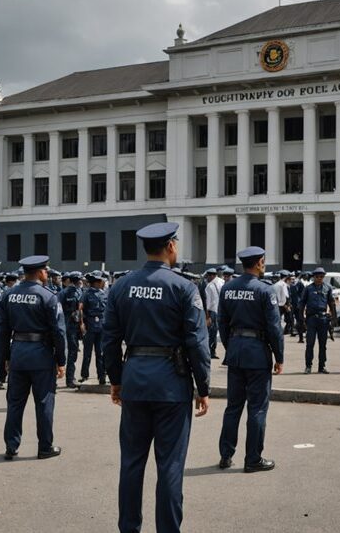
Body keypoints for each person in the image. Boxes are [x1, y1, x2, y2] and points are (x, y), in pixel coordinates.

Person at [102, 222, 211, 533]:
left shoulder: (121, 286)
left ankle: (129, 528)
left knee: (132, 463)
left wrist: (116, 380)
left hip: (135, 379)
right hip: (172, 385)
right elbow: (197, 342)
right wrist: (203, 387)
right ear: (171, 246)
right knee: (170, 467)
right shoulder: (184, 287)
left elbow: (109, 340)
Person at [217, 246, 283, 473]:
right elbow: (274, 328)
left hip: (235, 352)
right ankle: (253, 459)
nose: (264, 265)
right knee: (257, 409)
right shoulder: (265, 290)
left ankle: (226, 455)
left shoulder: (228, 288)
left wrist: (230, 345)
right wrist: (279, 356)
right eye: (263, 261)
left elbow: (222, 324)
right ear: (258, 263)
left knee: (233, 407)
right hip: (257, 354)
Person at [0, 255, 67, 460]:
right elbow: (58, 332)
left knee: (15, 403)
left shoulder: (9, 295)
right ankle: (45, 447)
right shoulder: (47, 296)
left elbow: (2, 330)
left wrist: (5, 357)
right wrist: (61, 360)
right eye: (45, 270)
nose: (47, 274)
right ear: (39, 272)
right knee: (44, 402)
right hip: (41, 355)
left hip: (18, 353)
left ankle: (11, 446)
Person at [299, 268, 336, 374]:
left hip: (323, 319)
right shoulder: (308, 289)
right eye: (317, 277)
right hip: (311, 319)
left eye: (321, 277)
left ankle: (322, 366)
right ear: (313, 277)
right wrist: (301, 318)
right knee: (310, 344)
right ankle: (308, 366)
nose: (319, 279)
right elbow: (302, 304)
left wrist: (334, 319)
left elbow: (332, 303)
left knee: (323, 345)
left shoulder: (327, 288)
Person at [79, 271, 108, 384]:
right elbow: (80, 309)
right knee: (87, 353)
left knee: (100, 352)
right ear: (97, 282)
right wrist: (82, 324)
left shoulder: (104, 294)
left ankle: (101, 376)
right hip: (90, 325)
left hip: (101, 326)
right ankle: (84, 375)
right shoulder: (86, 294)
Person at [57, 272, 83, 389]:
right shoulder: (74, 292)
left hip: (67, 326)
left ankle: (67, 378)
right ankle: (69, 379)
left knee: (64, 352)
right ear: (77, 280)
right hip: (70, 326)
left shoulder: (64, 292)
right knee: (70, 353)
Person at [203, 268, 220, 359]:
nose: (207, 278)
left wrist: (207, 316)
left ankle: (210, 351)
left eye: (208, 276)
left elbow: (208, 303)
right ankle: (213, 351)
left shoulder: (209, 286)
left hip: (213, 312)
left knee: (212, 333)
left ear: (212, 275)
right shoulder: (222, 282)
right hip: (221, 311)